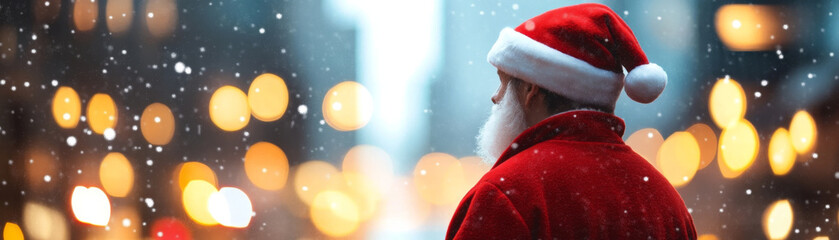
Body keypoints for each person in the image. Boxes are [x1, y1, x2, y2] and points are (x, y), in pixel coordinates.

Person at [446, 3, 697, 239]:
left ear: (531, 90)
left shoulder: (506, 193)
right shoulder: (666, 200)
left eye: (504, 82)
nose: (496, 97)